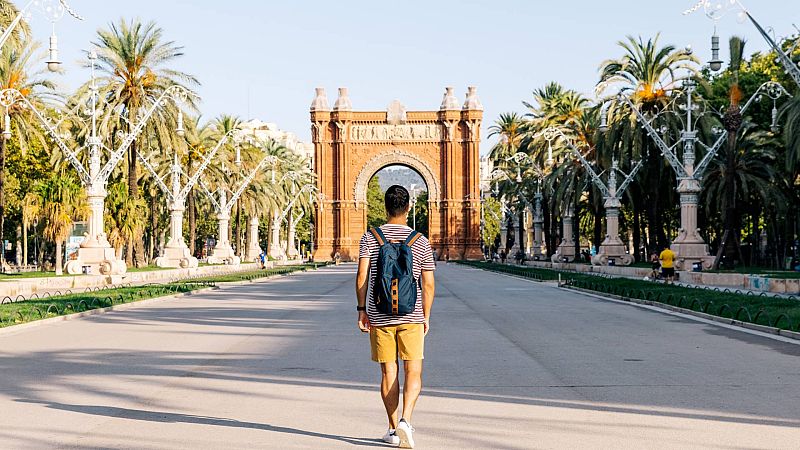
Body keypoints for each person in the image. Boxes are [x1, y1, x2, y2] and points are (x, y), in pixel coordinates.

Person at [356, 185, 436, 449]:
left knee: (388, 371)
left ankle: (392, 428)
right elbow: (429, 284)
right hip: (411, 315)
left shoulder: (371, 238)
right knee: (413, 369)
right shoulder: (420, 241)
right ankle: (406, 421)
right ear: (408, 208)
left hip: (380, 314)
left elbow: (362, 277)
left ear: (386, 206)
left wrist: (361, 310)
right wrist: (425, 315)